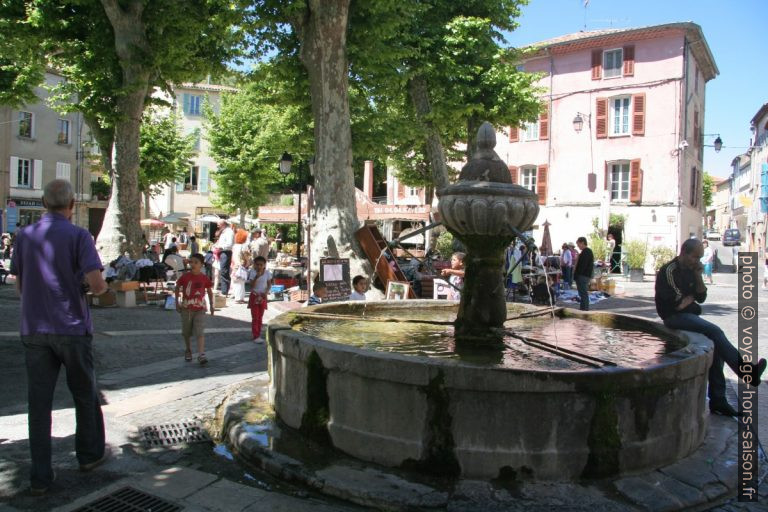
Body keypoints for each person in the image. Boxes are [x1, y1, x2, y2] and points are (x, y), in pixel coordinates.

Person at [11, 179, 111, 495]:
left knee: (38, 405)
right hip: (72, 327)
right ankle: (89, 456)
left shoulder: (24, 236)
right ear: (71, 207)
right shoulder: (79, 235)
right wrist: (96, 289)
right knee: (85, 394)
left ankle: (40, 477)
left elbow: (19, 286)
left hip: (34, 328)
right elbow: (97, 284)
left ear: (43, 203)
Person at [655, 239, 766, 416]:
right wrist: (690, 299)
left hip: (688, 314)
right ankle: (746, 373)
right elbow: (676, 304)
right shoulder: (669, 270)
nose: (698, 261)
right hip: (672, 317)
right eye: (695, 257)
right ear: (684, 253)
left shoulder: (693, 270)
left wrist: (698, 278)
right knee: (715, 331)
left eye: (700, 257)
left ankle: (718, 400)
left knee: (717, 347)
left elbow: (701, 297)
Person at [174, 253, 214, 365]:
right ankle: (188, 349)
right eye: (191, 262)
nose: (193, 264)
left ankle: (201, 354)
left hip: (200, 308)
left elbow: (209, 291)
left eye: (196, 262)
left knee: (200, 331)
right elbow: (177, 288)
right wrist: (177, 303)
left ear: (201, 264)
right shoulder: (185, 277)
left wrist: (211, 305)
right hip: (186, 308)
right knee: (186, 332)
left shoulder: (204, 278)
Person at [248, 256, 273, 341]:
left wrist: (265, 293)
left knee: (260, 316)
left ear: (264, 265)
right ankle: (256, 335)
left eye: (261, 265)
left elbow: (269, 285)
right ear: (254, 265)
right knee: (255, 316)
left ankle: (258, 333)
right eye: (257, 264)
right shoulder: (252, 272)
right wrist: (256, 277)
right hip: (254, 296)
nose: (259, 266)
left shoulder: (267, 273)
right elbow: (251, 285)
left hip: (262, 296)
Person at [573, 236, 594, 311]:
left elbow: (582, 265)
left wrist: (577, 274)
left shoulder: (586, 252)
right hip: (583, 275)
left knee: (583, 293)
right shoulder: (585, 252)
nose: (578, 246)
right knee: (582, 294)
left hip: (583, 276)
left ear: (582, 243)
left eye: (578, 244)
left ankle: (584, 309)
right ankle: (583, 308)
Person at [231, 229, 252, 304]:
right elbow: (247, 256)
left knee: (236, 282)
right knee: (241, 282)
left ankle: (238, 297)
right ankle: (239, 298)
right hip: (242, 265)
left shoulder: (235, 246)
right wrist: (248, 263)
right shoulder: (244, 246)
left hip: (235, 265)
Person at [215, 220, 234, 296]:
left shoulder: (229, 232)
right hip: (223, 252)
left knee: (224, 272)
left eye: (218, 224)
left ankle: (224, 291)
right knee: (223, 271)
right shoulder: (225, 231)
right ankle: (224, 290)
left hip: (225, 252)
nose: (217, 226)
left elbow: (229, 244)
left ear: (223, 224)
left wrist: (220, 247)